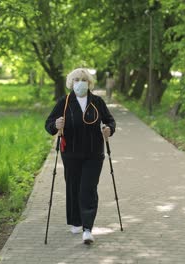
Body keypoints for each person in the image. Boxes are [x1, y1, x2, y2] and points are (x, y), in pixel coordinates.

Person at [45, 68, 116, 244]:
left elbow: (110, 120)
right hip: (71, 153)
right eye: (76, 79)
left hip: (94, 153)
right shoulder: (65, 101)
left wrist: (109, 129)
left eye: (83, 79)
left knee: (88, 188)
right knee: (74, 187)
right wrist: (56, 124)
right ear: (71, 82)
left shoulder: (97, 101)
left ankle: (87, 228)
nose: (80, 82)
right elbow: (48, 125)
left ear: (89, 83)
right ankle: (76, 221)